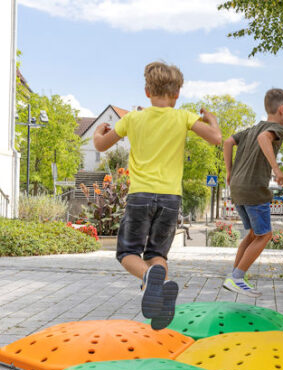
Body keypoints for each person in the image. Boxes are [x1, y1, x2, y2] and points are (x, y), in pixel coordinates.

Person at [93, 61, 222, 329]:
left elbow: (101, 145)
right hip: (170, 199)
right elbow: (216, 138)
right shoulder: (184, 117)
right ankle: (160, 295)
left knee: (127, 253)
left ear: (147, 92)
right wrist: (212, 120)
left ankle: (150, 278)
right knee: (157, 254)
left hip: (140, 196)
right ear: (177, 94)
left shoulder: (132, 118)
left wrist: (97, 132)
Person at [222, 88, 283, 297]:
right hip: (254, 188)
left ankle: (234, 277)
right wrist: (276, 169)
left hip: (237, 187)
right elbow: (264, 138)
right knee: (265, 235)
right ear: (282, 109)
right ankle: (237, 278)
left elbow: (228, 142)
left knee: (253, 234)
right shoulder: (277, 129)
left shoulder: (250, 130)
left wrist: (229, 172)